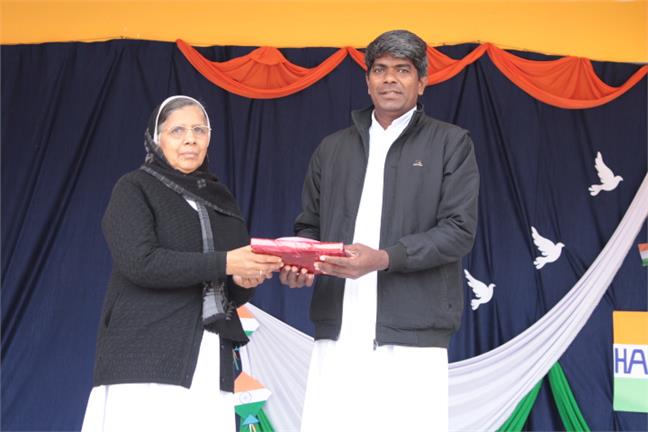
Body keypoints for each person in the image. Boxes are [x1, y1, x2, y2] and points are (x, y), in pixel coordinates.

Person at [280, 30, 480, 431]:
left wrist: (384, 259)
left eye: (403, 70)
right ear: (367, 80)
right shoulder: (332, 148)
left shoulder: (451, 143)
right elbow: (309, 226)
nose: (390, 78)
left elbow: (459, 231)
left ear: (422, 82)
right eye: (380, 69)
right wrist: (300, 264)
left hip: (412, 330)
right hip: (339, 326)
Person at [82, 95, 283, 431]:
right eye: (177, 130)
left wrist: (244, 281)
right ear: (156, 138)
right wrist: (226, 263)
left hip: (208, 353)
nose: (190, 139)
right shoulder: (134, 188)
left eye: (199, 130)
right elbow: (141, 262)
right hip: (144, 356)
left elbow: (228, 284)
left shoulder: (221, 200)